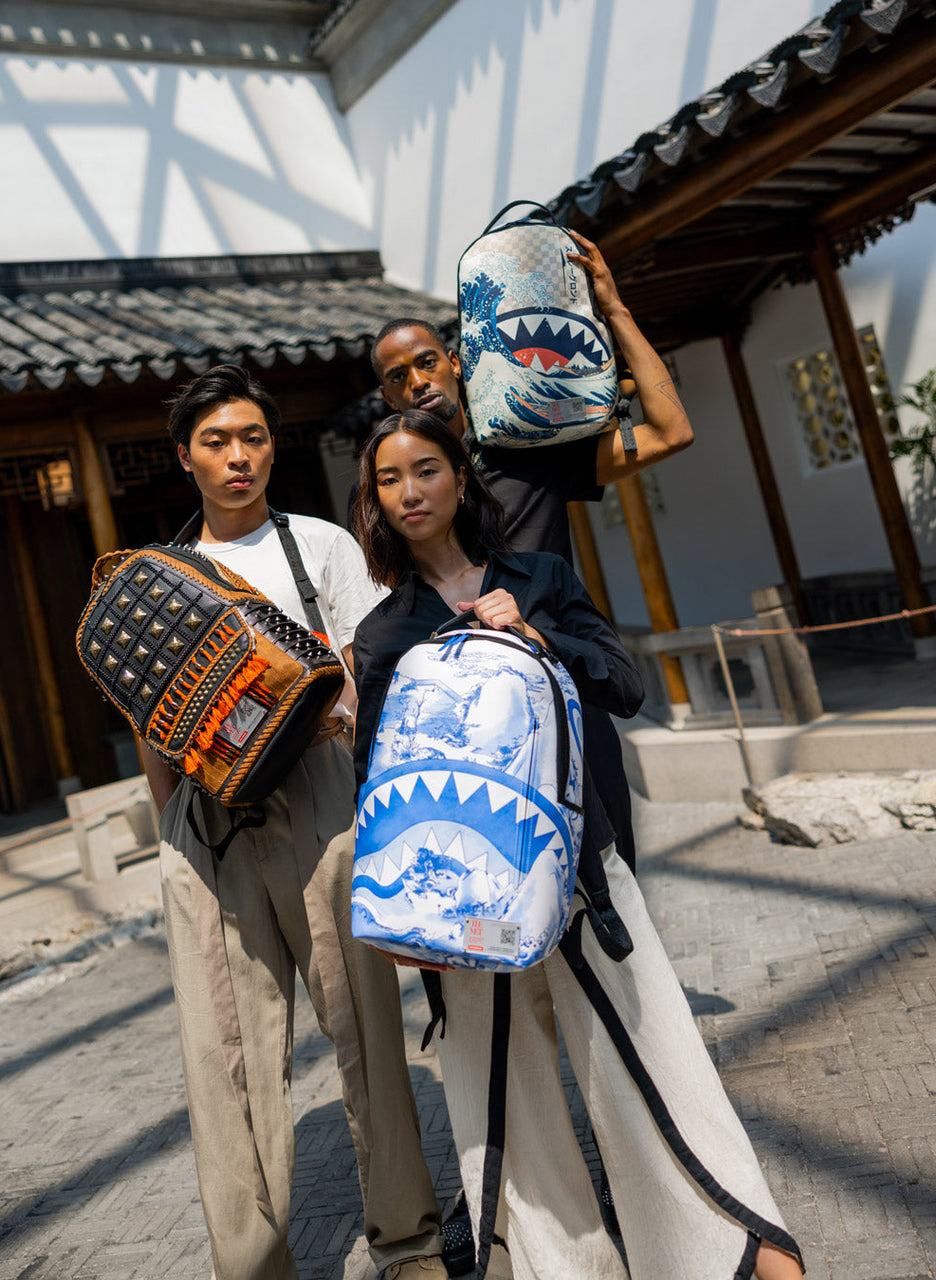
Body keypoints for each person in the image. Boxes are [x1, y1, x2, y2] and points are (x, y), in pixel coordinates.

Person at [348, 409, 804, 1280]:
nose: (409, 491)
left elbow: (625, 685)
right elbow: (379, 784)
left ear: (459, 479)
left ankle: (728, 1245)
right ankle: (565, 1266)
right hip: (460, 906)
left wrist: (536, 635)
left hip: (582, 867)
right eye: (388, 480)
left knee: (650, 1055)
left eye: (427, 470)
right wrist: (415, 925)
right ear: (373, 501)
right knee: (508, 1095)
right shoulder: (384, 636)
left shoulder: (543, 576)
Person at [141, 365, 448, 1280]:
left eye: (254, 439)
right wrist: (176, 835)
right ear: (185, 458)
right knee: (222, 1058)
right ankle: (255, 1263)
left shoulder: (319, 546)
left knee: (366, 1036)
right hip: (208, 827)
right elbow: (148, 721)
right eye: (216, 443)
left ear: (273, 446)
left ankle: (411, 1241)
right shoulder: (164, 574)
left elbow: (366, 679)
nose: (239, 459)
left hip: (319, 800)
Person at [369, 232, 691, 877]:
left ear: (456, 362)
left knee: (608, 879)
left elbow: (670, 431)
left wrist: (614, 310)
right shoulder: (397, 489)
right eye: (396, 377)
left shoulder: (532, 449)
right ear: (387, 398)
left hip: (563, 687)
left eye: (426, 362)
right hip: (471, 723)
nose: (416, 381)